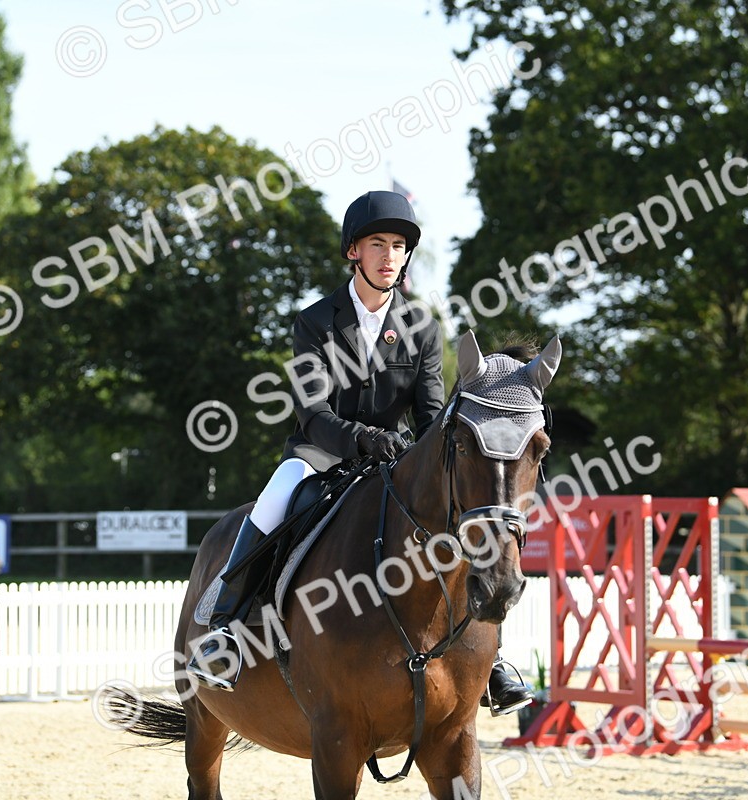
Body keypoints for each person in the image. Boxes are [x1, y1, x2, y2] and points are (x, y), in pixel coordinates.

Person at [186, 190, 533, 714]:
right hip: (323, 454)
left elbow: (432, 413)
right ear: (354, 251)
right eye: (378, 244)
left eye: (398, 246)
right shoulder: (315, 322)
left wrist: (422, 454)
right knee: (275, 498)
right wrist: (364, 439)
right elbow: (313, 411)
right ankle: (226, 630)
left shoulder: (420, 328)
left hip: (398, 461)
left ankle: (493, 658)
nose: (389, 255)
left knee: (466, 515)